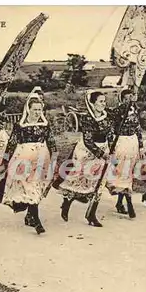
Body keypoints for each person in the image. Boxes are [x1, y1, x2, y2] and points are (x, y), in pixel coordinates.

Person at [0, 92, 57, 235]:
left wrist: (54, 157)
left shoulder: (45, 125)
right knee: (29, 187)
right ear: (28, 109)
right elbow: (11, 144)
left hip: (42, 157)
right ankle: (36, 220)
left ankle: (30, 216)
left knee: (37, 186)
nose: (37, 112)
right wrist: (4, 161)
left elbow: (51, 141)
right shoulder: (20, 125)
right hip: (23, 158)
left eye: (39, 109)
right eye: (34, 109)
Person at [54, 90, 114, 227]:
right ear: (92, 104)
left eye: (104, 101)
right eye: (100, 101)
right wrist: (101, 153)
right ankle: (67, 203)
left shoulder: (107, 117)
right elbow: (87, 140)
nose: (103, 104)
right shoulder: (87, 118)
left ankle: (91, 214)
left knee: (99, 182)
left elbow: (110, 134)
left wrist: (110, 149)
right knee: (80, 180)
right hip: (86, 152)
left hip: (103, 150)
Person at [105, 87, 144, 219]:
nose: (128, 101)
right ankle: (128, 202)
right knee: (121, 172)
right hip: (120, 142)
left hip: (132, 142)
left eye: (130, 98)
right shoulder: (118, 112)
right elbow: (110, 128)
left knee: (128, 173)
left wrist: (141, 145)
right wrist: (111, 145)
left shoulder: (135, 110)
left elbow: (138, 128)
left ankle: (121, 202)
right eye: (125, 99)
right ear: (121, 100)